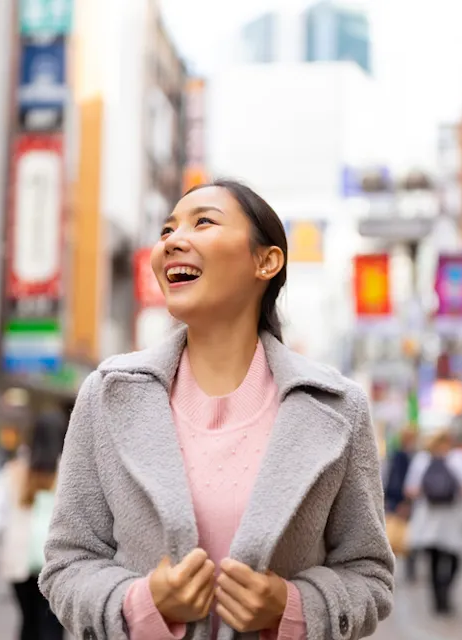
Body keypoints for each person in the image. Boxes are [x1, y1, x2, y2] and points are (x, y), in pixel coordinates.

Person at [39, 180, 395, 640]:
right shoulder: (108, 395)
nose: (172, 241)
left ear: (266, 261)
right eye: (167, 230)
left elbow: (369, 574)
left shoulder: (337, 408)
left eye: (203, 221)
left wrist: (292, 608)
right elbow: (67, 564)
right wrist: (144, 604)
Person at [0, 411, 67, 640]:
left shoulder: (14, 472)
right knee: (52, 627)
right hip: (57, 565)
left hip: (19, 562)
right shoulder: (70, 473)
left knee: (28, 622)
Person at [404, 430, 462, 616]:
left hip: (429, 520)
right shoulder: (459, 459)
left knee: (434, 562)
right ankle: (444, 596)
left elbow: (410, 490)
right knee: (454, 559)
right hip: (452, 518)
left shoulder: (422, 460)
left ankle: (439, 599)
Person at [384, 429, 418, 583]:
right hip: (402, 502)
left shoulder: (404, 456)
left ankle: (410, 569)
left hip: (403, 501)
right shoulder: (401, 456)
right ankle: (403, 568)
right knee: (403, 536)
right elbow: (396, 481)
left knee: (407, 536)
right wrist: (401, 502)